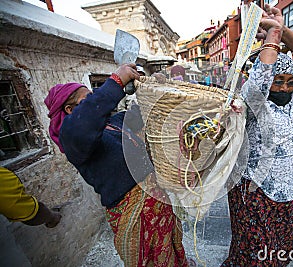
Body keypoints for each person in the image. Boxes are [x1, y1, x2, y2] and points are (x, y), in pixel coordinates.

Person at [44, 64, 189, 267]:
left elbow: (142, 113)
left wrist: (154, 88)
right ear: (70, 110)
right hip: (134, 215)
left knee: (168, 251)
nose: (97, 105)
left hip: (156, 203)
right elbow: (85, 122)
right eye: (88, 101)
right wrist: (115, 82)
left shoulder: (113, 123)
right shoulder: (73, 140)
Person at [221, 4, 293, 266]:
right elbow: (261, 77)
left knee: (289, 244)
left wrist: (282, 30)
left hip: (290, 190)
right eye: (279, 81)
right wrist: (272, 39)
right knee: (256, 253)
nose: (285, 87)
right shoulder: (252, 103)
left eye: (290, 81)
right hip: (255, 192)